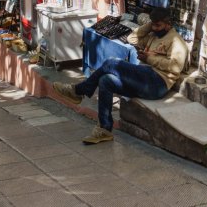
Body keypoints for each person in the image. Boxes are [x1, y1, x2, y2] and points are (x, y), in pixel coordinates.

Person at [53, 7, 187, 144]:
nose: (155, 28)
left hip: (157, 83)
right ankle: (104, 129)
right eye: (153, 24)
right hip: (143, 78)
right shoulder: (153, 35)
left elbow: (175, 67)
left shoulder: (177, 42)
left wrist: (149, 59)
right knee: (105, 81)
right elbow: (131, 39)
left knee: (111, 63)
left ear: (168, 24)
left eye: (158, 25)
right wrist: (149, 25)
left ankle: (78, 91)